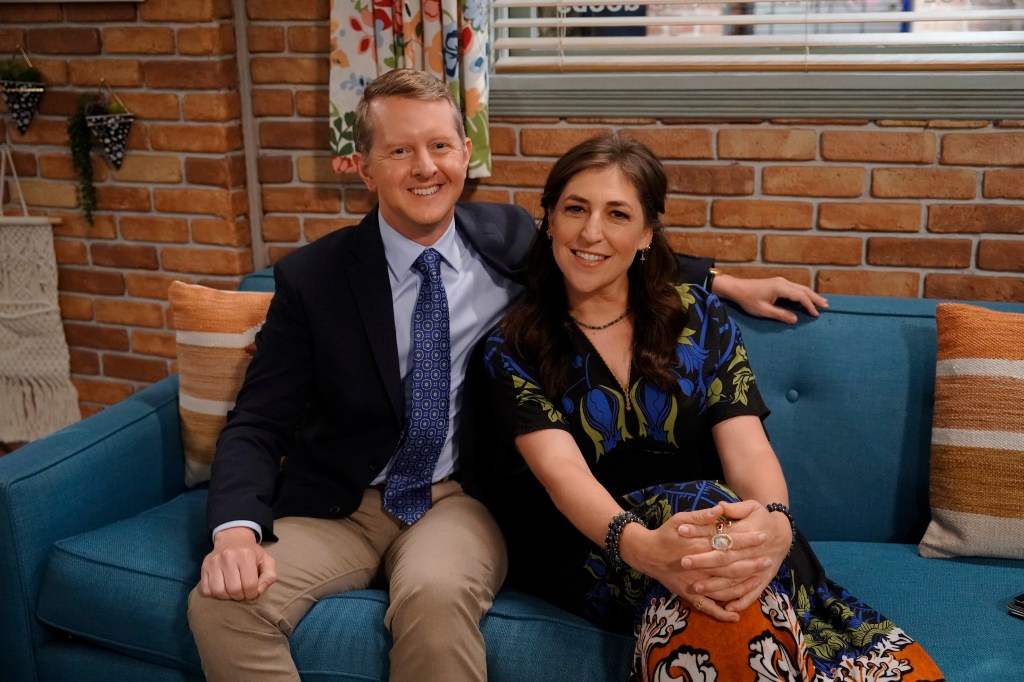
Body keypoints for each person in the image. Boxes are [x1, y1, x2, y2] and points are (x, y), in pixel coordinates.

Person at [187, 69, 825, 682]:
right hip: (339, 507)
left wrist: (726, 280)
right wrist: (236, 531)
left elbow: (604, 247)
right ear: (361, 166)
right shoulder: (313, 279)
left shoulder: (508, 235)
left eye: (440, 145)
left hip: (456, 500)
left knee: (436, 599)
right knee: (221, 606)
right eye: (400, 150)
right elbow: (258, 419)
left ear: (466, 152)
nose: (425, 167)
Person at [480, 134, 944, 681]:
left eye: (617, 214)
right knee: (713, 523)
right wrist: (643, 547)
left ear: (646, 233)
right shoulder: (512, 344)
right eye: (574, 209)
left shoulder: (698, 316)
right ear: (549, 221)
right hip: (597, 547)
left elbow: (746, 445)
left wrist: (774, 524)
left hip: (712, 533)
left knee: (722, 566)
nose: (591, 232)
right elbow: (562, 475)